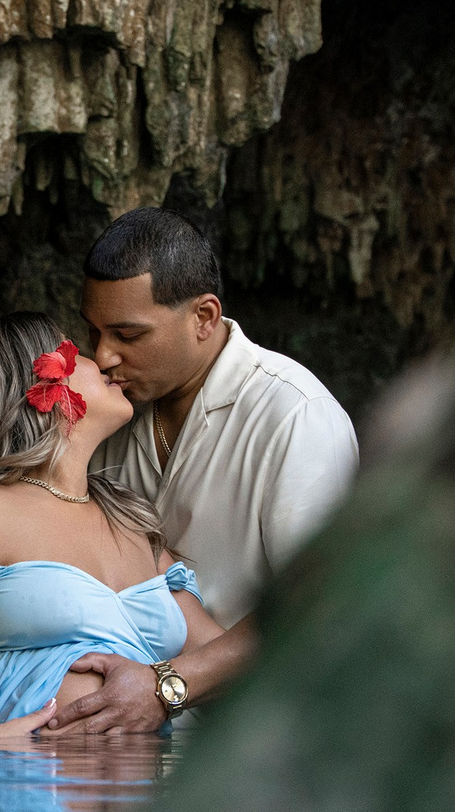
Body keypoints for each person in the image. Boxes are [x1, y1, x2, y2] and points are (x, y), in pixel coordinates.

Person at [55, 207, 359, 733]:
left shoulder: (294, 415)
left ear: (204, 317)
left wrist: (167, 686)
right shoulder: (108, 413)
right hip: (129, 746)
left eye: (128, 334)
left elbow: (326, 610)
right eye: (94, 331)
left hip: (268, 745)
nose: (103, 356)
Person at [0, 313, 227, 742]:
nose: (102, 361)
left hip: (141, 799)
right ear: (39, 389)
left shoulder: (131, 520)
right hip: (3, 788)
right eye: (75, 352)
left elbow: (225, 658)